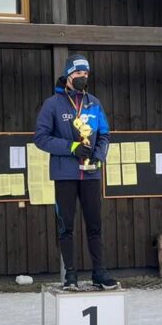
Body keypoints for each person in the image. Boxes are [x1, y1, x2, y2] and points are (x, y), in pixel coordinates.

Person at [34, 54, 118, 290]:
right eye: (79, 73)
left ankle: (99, 272)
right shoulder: (53, 104)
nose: (83, 77)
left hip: (91, 173)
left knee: (95, 224)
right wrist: (72, 147)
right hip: (65, 174)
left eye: (86, 74)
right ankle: (70, 274)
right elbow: (40, 138)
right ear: (69, 75)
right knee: (66, 225)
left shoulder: (94, 103)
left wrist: (98, 155)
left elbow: (104, 134)